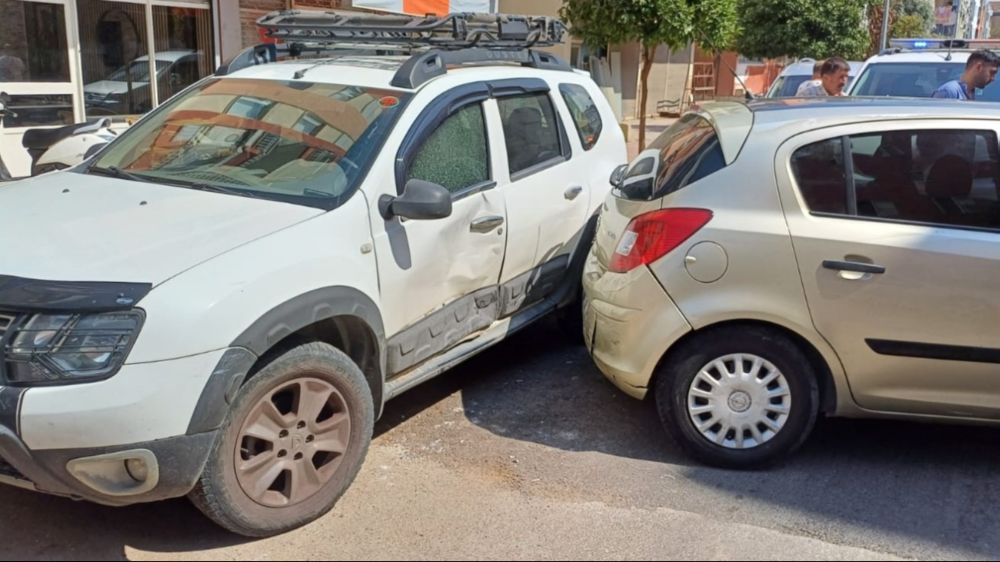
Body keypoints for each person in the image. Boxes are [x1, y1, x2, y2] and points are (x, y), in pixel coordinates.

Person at [931, 50, 999, 100]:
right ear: (979, 67)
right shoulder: (949, 91)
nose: (993, 78)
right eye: (992, 72)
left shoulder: (970, 93)